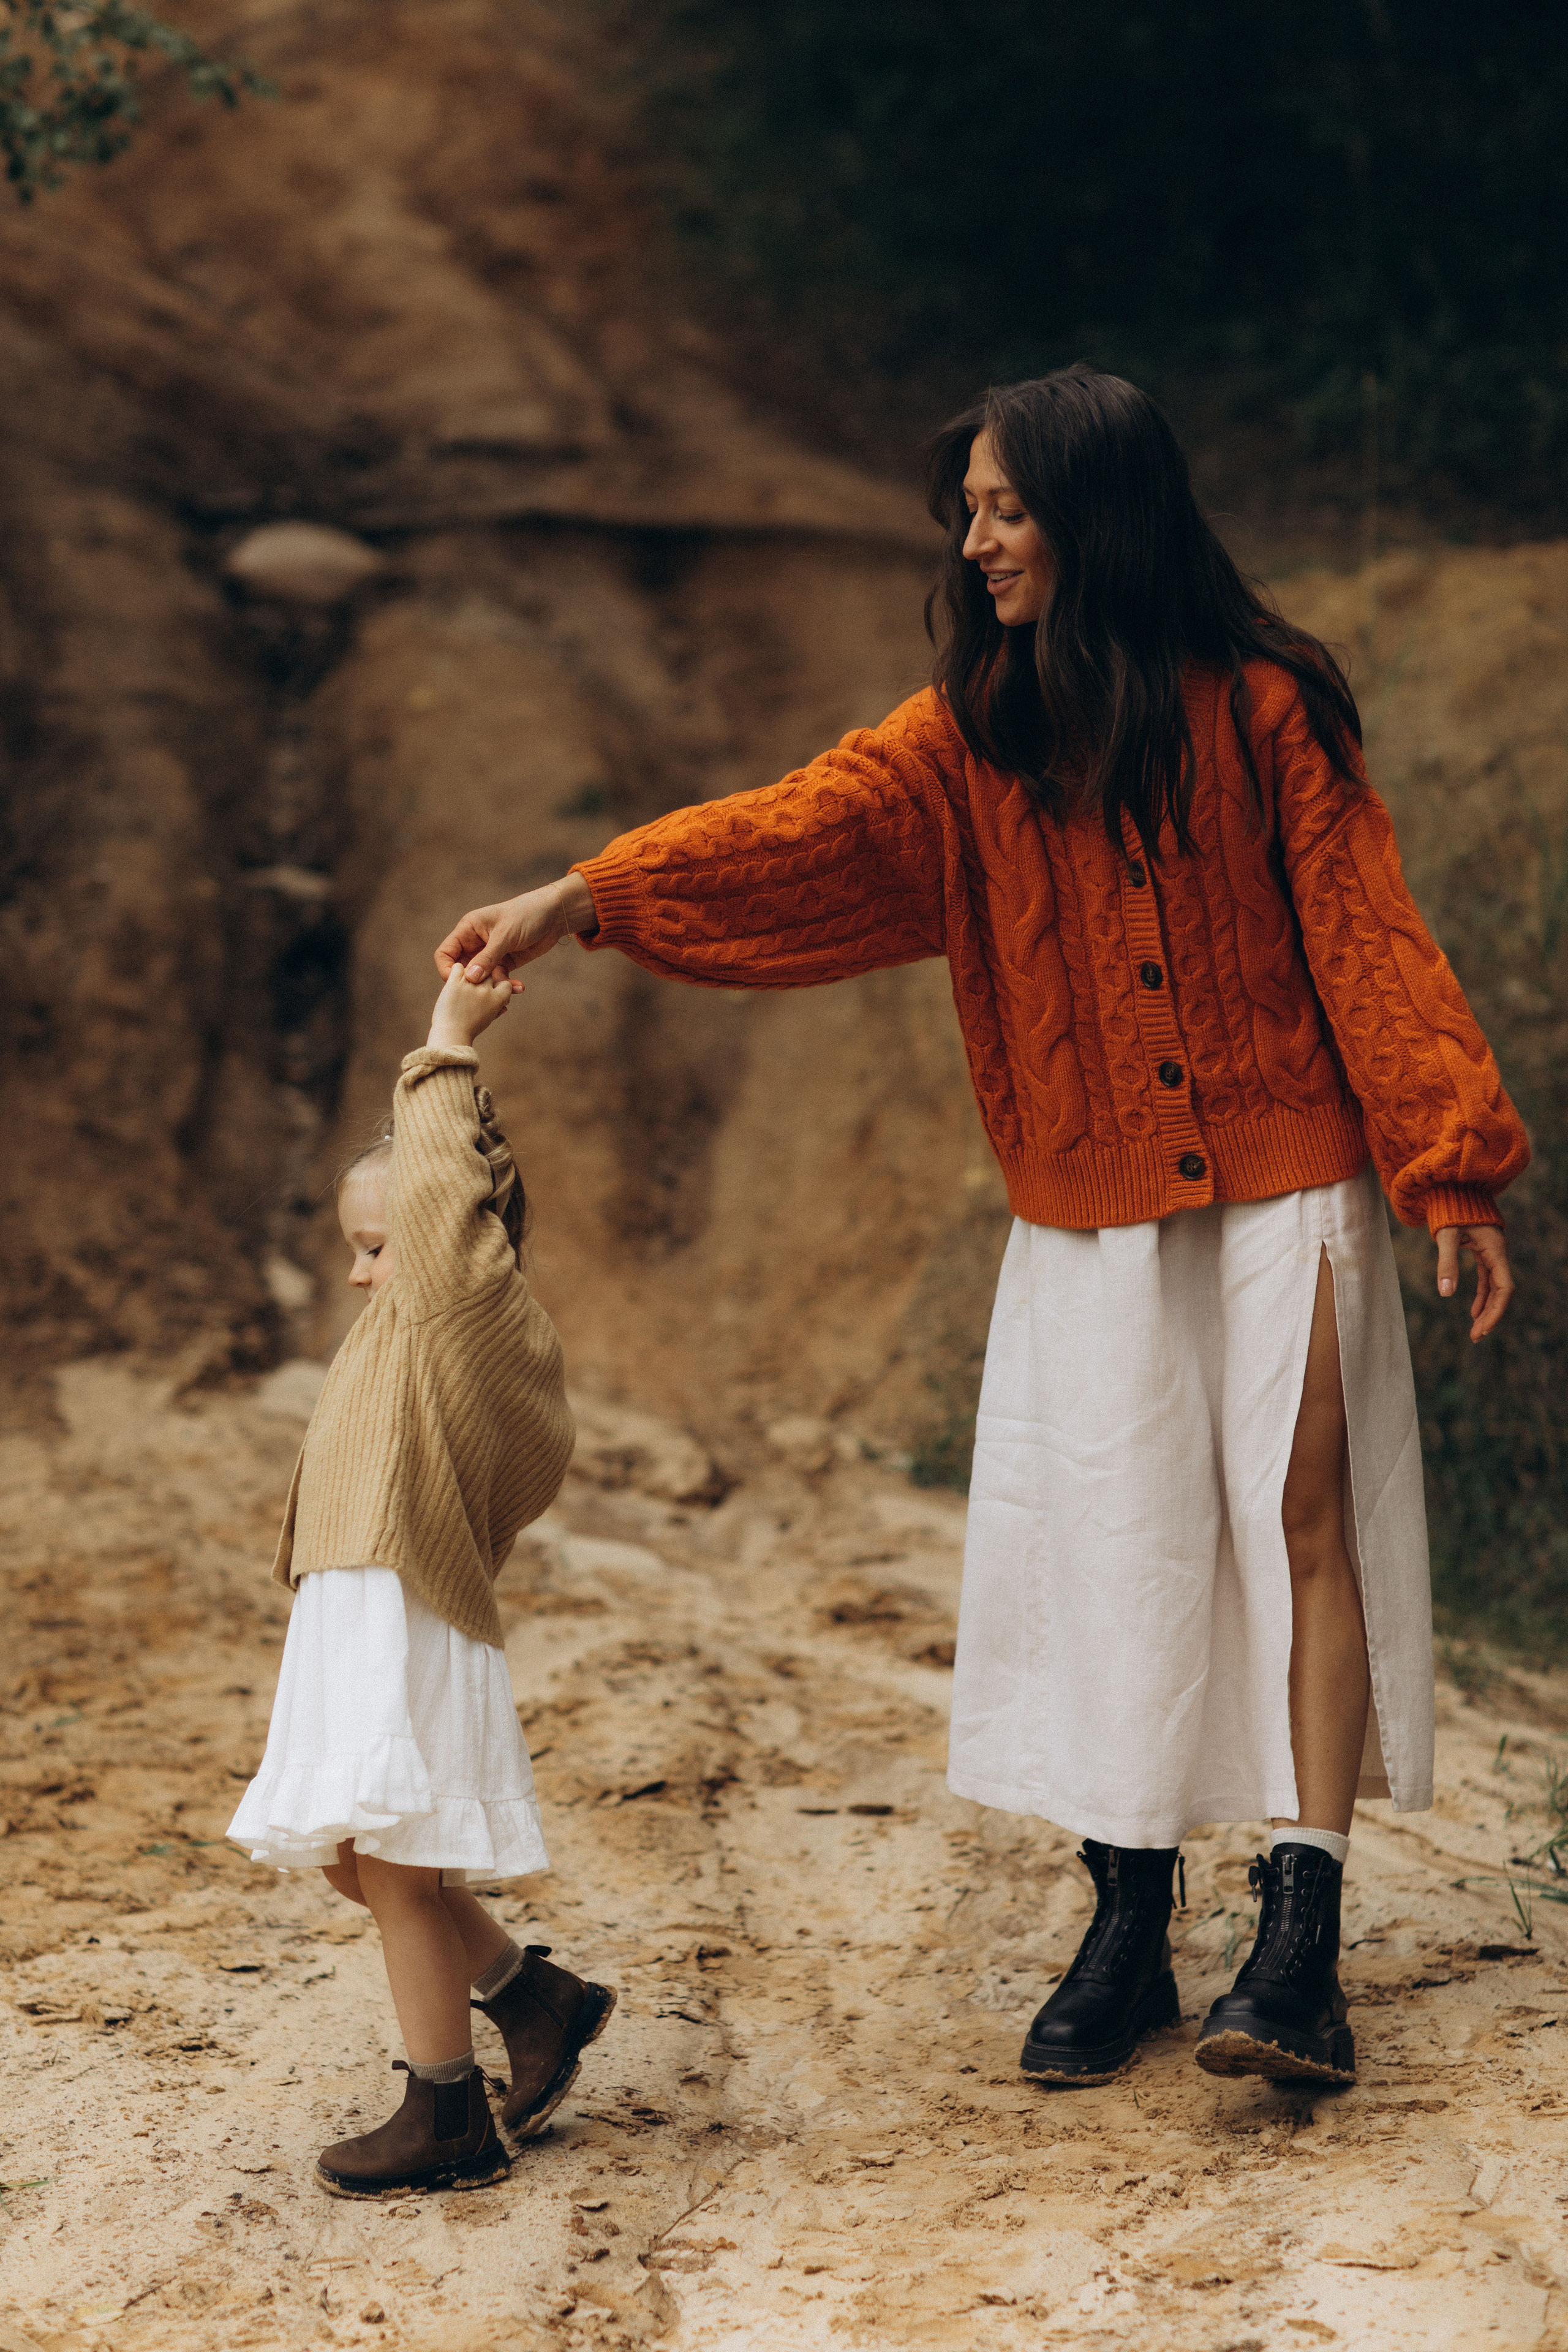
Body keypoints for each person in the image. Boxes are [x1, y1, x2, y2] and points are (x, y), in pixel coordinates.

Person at [433, 366, 1527, 2092]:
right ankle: (1129, 1916)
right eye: (972, 507)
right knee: (1123, 1543)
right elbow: (798, 825)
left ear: (1093, 515)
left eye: (1005, 505)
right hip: (1087, 1199)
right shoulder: (971, 735)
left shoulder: (1263, 707)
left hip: (1292, 1167)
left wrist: (1444, 1160)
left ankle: (1299, 1944)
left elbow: (1365, 932)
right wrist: (589, 897)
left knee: (1303, 1516)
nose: (978, 535)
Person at [228, 965, 615, 2196]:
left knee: (392, 1868)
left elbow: (451, 1185)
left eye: (377, 1248)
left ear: (455, 1235)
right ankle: (530, 1997)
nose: (359, 1274)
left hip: (401, 1607)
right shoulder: (403, 1329)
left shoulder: (460, 1315)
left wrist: (446, 1042)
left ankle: (444, 2112)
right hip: (358, 1608)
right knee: (358, 1858)